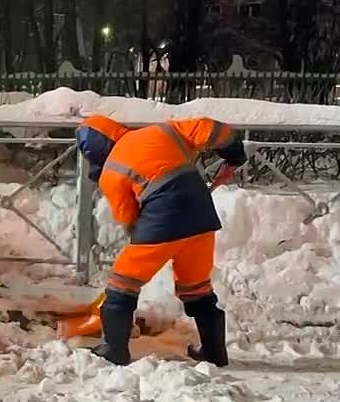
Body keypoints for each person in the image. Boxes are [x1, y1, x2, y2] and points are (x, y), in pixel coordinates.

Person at [76, 113, 249, 367]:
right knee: (197, 288)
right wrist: (233, 153)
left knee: (121, 285)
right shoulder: (160, 131)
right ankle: (214, 353)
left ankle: (114, 350)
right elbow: (209, 128)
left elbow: (128, 217)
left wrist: (146, 237)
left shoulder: (110, 172)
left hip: (161, 221)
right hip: (202, 217)